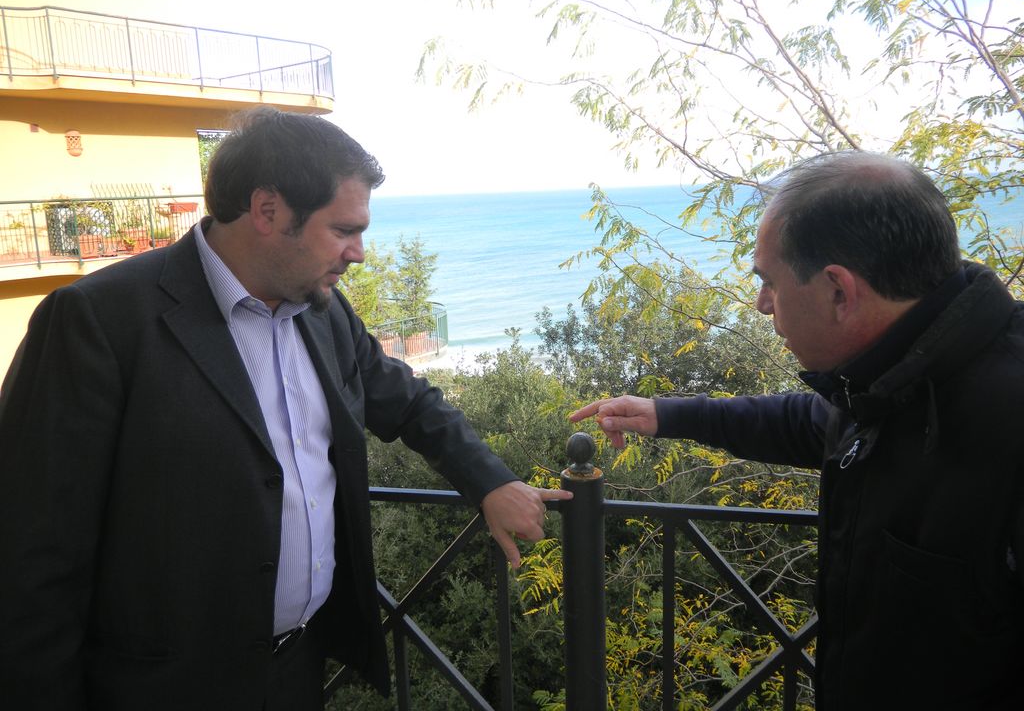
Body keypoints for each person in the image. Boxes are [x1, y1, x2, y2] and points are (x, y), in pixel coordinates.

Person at [0, 106, 571, 711]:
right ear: (268, 210)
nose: (358, 253)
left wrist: (489, 481)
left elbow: (406, 401)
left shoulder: (323, 312)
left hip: (298, 668)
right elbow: (32, 555)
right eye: (344, 230)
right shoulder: (98, 320)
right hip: (164, 687)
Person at [572, 151, 1024, 710]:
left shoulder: (1002, 416)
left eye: (769, 282)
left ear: (839, 291)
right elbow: (807, 421)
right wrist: (666, 414)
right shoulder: (892, 378)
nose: (762, 305)